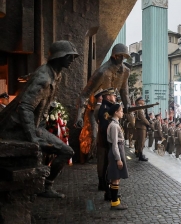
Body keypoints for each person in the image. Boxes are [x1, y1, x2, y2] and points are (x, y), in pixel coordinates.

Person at [0, 40, 79, 198]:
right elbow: (25, 107)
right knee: (64, 151)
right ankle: (43, 185)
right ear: (58, 57)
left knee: (67, 151)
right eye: (69, 56)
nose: (72, 60)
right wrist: (32, 137)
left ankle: (46, 186)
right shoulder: (43, 78)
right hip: (17, 128)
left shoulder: (56, 75)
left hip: (36, 126)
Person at [106, 103, 129, 210]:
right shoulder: (114, 126)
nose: (122, 112)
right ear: (116, 112)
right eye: (121, 111)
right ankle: (115, 203)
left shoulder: (115, 123)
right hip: (117, 151)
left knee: (116, 177)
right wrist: (118, 159)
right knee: (115, 178)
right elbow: (115, 144)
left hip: (118, 150)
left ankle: (114, 199)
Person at [96, 88, 117, 195]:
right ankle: (107, 188)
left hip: (104, 141)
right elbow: (105, 128)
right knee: (106, 165)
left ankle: (104, 185)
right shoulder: (105, 109)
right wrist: (110, 141)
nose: (115, 97)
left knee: (105, 164)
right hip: (105, 141)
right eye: (113, 95)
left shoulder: (107, 107)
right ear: (108, 96)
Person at [135, 96, 151, 161]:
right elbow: (143, 118)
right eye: (142, 100)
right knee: (141, 141)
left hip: (141, 126)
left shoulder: (141, 108)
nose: (143, 101)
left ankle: (140, 153)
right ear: (139, 101)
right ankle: (140, 155)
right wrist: (149, 124)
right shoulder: (139, 109)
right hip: (141, 126)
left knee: (141, 141)